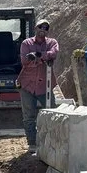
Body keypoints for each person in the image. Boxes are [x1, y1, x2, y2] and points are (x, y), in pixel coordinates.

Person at [18, 18, 59, 154]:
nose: (43, 30)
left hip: (45, 86)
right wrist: (44, 59)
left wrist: (37, 55)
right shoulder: (26, 43)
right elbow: (25, 61)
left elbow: (53, 53)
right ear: (35, 28)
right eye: (41, 27)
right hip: (27, 85)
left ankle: (52, 142)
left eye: (46, 28)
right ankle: (32, 143)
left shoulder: (52, 42)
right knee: (29, 116)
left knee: (53, 113)